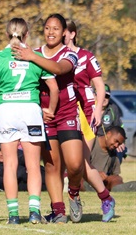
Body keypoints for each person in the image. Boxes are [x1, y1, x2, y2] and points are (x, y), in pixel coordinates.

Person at [0, 17, 59, 225]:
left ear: (7, 34)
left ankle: (13, 215)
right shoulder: (36, 56)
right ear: (26, 34)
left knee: (10, 165)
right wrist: (49, 109)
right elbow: (54, 88)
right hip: (30, 111)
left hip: (6, 111)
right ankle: (34, 212)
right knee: (33, 165)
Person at [13, 13, 84, 223]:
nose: (50, 32)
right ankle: (58, 211)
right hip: (44, 115)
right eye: (47, 28)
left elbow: (59, 69)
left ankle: (73, 192)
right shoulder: (33, 53)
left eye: (55, 28)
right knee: (52, 166)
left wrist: (32, 57)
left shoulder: (69, 54)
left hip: (67, 113)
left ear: (64, 32)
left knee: (75, 165)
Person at [65, 20, 116, 222]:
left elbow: (100, 86)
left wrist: (96, 109)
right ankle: (71, 199)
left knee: (81, 163)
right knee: (69, 164)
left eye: (63, 32)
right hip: (63, 114)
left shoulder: (86, 57)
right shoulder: (54, 57)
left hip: (85, 114)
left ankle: (103, 199)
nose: (58, 35)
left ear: (72, 34)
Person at [96, 84, 127, 162]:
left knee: (120, 149)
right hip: (92, 141)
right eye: (101, 95)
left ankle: (112, 172)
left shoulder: (113, 108)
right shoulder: (89, 107)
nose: (104, 98)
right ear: (95, 95)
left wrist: (121, 143)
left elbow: (119, 128)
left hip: (109, 142)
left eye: (106, 96)